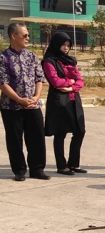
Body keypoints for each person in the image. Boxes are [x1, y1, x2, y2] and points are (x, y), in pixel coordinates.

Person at [0, 23, 49, 181]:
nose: (28, 38)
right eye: (24, 35)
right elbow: (3, 83)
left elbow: (39, 79)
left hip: (33, 105)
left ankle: (37, 169)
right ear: (14, 36)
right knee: (14, 139)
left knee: (37, 137)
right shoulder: (3, 57)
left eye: (28, 35)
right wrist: (19, 100)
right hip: (11, 107)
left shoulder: (32, 56)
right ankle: (19, 170)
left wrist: (35, 97)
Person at [41, 32, 86, 176]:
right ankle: (61, 166)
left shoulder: (71, 61)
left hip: (74, 100)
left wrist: (71, 86)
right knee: (60, 134)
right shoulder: (49, 61)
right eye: (63, 45)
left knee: (80, 131)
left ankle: (73, 164)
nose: (66, 48)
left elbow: (80, 81)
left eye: (68, 45)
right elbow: (55, 82)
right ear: (56, 44)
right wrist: (71, 82)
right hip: (59, 102)